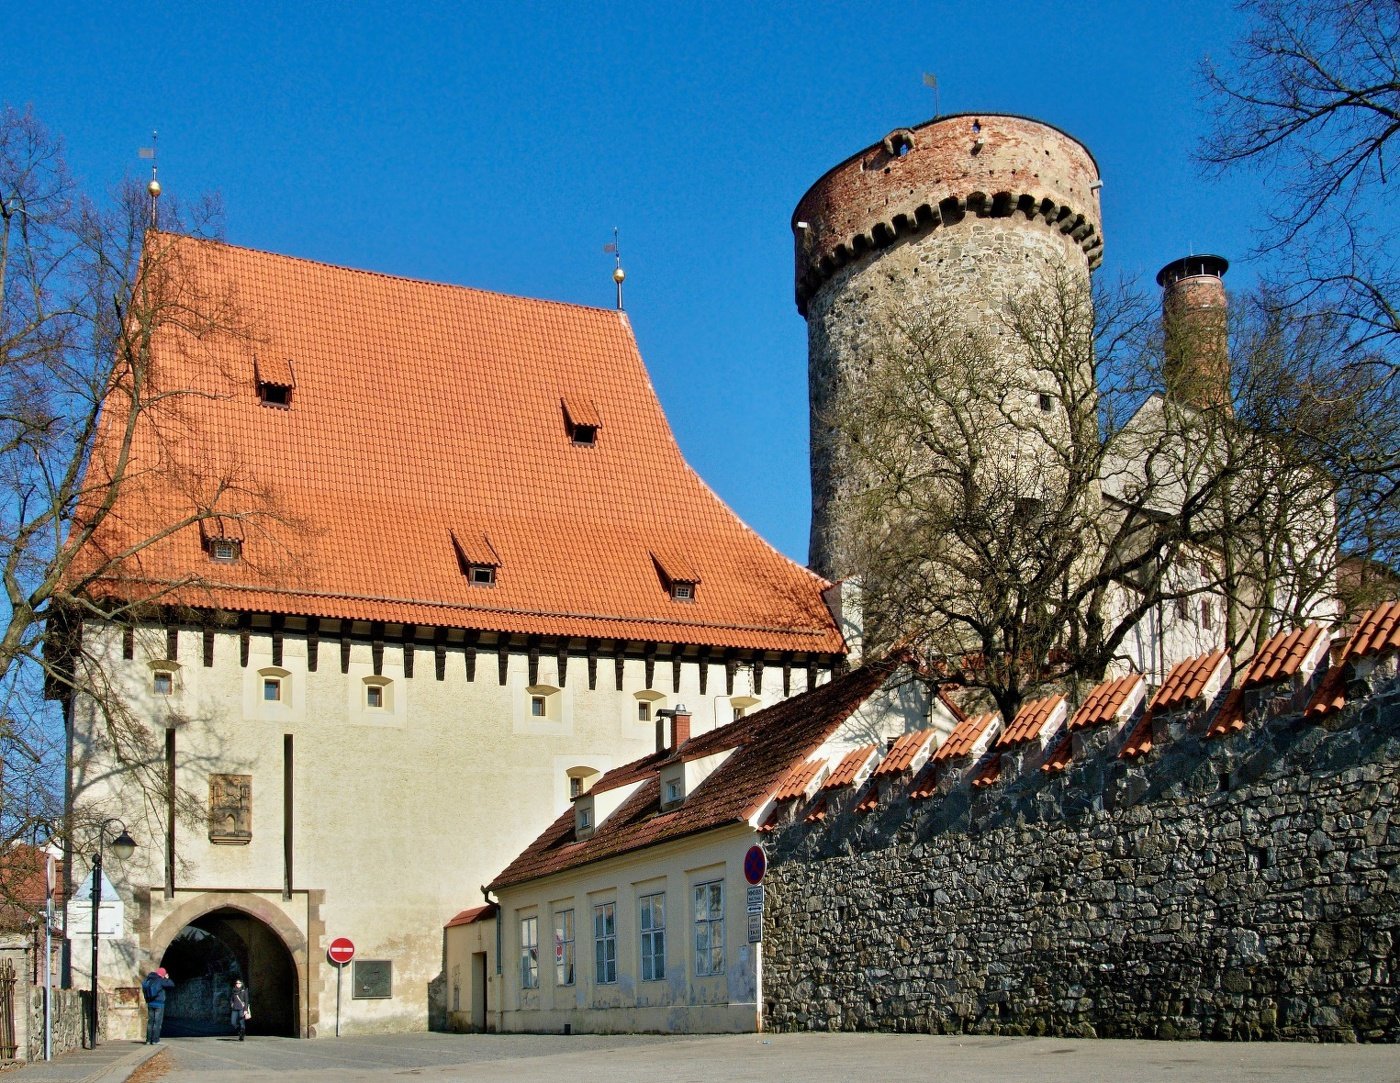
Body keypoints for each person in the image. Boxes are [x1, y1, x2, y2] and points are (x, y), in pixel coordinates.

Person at [141, 967, 174, 1044]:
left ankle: (148, 1040)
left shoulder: (149, 979)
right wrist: (166, 978)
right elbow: (171, 984)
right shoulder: (161, 981)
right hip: (159, 1004)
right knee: (157, 1022)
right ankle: (155, 1040)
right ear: (162, 974)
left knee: (150, 1022)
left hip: (150, 1003)